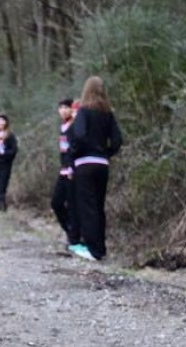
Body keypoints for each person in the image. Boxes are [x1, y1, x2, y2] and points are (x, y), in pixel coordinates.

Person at [68, 76, 123, 261]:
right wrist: (105, 154)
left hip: (85, 164)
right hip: (102, 165)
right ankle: (101, 248)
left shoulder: (84, 111)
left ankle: (93, 250)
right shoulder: (108, 114)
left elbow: (80, 135)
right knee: (98, 206)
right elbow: (117, 140)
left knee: (87, 207)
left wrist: (75, 152)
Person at [51, 98, 75, 245]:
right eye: (61, 107)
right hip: (64, 170)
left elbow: (75, 149)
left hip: (73, 171)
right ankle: (69, 231)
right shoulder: (63, 127)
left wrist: (72, 166)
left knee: (72, 205)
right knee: (56, 203)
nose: (63, 110)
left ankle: (74, 237)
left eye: (67, 107)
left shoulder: (75, 127)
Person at [0, 114, 18, 212]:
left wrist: (4, 152)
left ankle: (1, 207)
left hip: (5, 164)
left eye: (2, 121)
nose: (0, 123)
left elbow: (14, 150)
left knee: (2, 185)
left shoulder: (10, 135)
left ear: (6, 122)